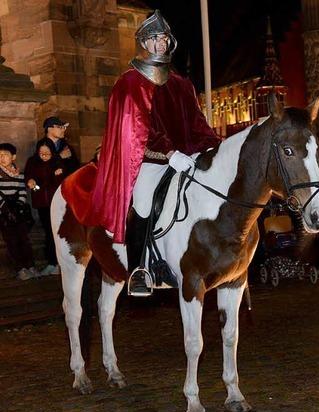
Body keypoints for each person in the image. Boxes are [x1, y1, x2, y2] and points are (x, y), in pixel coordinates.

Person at [76, 10, 222, 294]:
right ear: (144, 42)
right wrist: (169, 153)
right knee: (144, 201)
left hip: (185, 158)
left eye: (164, 38)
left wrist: (215, 146)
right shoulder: (128, 83)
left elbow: (196, 122)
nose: (161, 43)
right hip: (148, 160)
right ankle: (140, 268)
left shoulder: (182, 84)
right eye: (155, 38)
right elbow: (137, 127)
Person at [24, 139, 65, 275]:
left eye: (47, 153)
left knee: (59, 233)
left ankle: (59, 263)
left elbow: (62, 182)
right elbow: (30, 178)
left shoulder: (57, 161)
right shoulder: (32, 162)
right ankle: (51, 262)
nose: (44, 156)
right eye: (41, 153)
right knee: (48, 232)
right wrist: (32, 182)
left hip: (57, 203)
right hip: (42, 203)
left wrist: (57, 174)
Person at [0, 143, 37, 280]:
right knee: (11, 241)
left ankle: (31, 266)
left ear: (13, 157)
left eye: (5, 155)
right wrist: (5, 208)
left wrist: (19, 205)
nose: (2, 158)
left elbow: (22, 191)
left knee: (24, 240)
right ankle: (20, 268)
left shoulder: (19, 174)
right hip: (3, 214)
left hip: (18, 212)